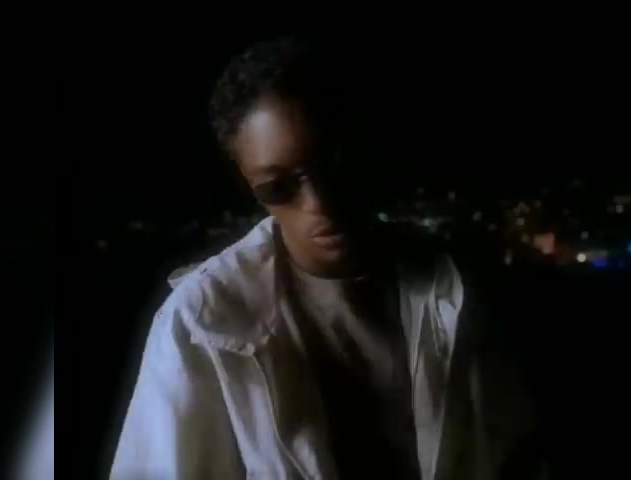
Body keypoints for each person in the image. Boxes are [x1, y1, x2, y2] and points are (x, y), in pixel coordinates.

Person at [110, 38, 540, 479]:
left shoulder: (455, 286)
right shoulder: (199, 322)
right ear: (248, 184)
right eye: (278, 187)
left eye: (334, 165)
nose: (320, 202)